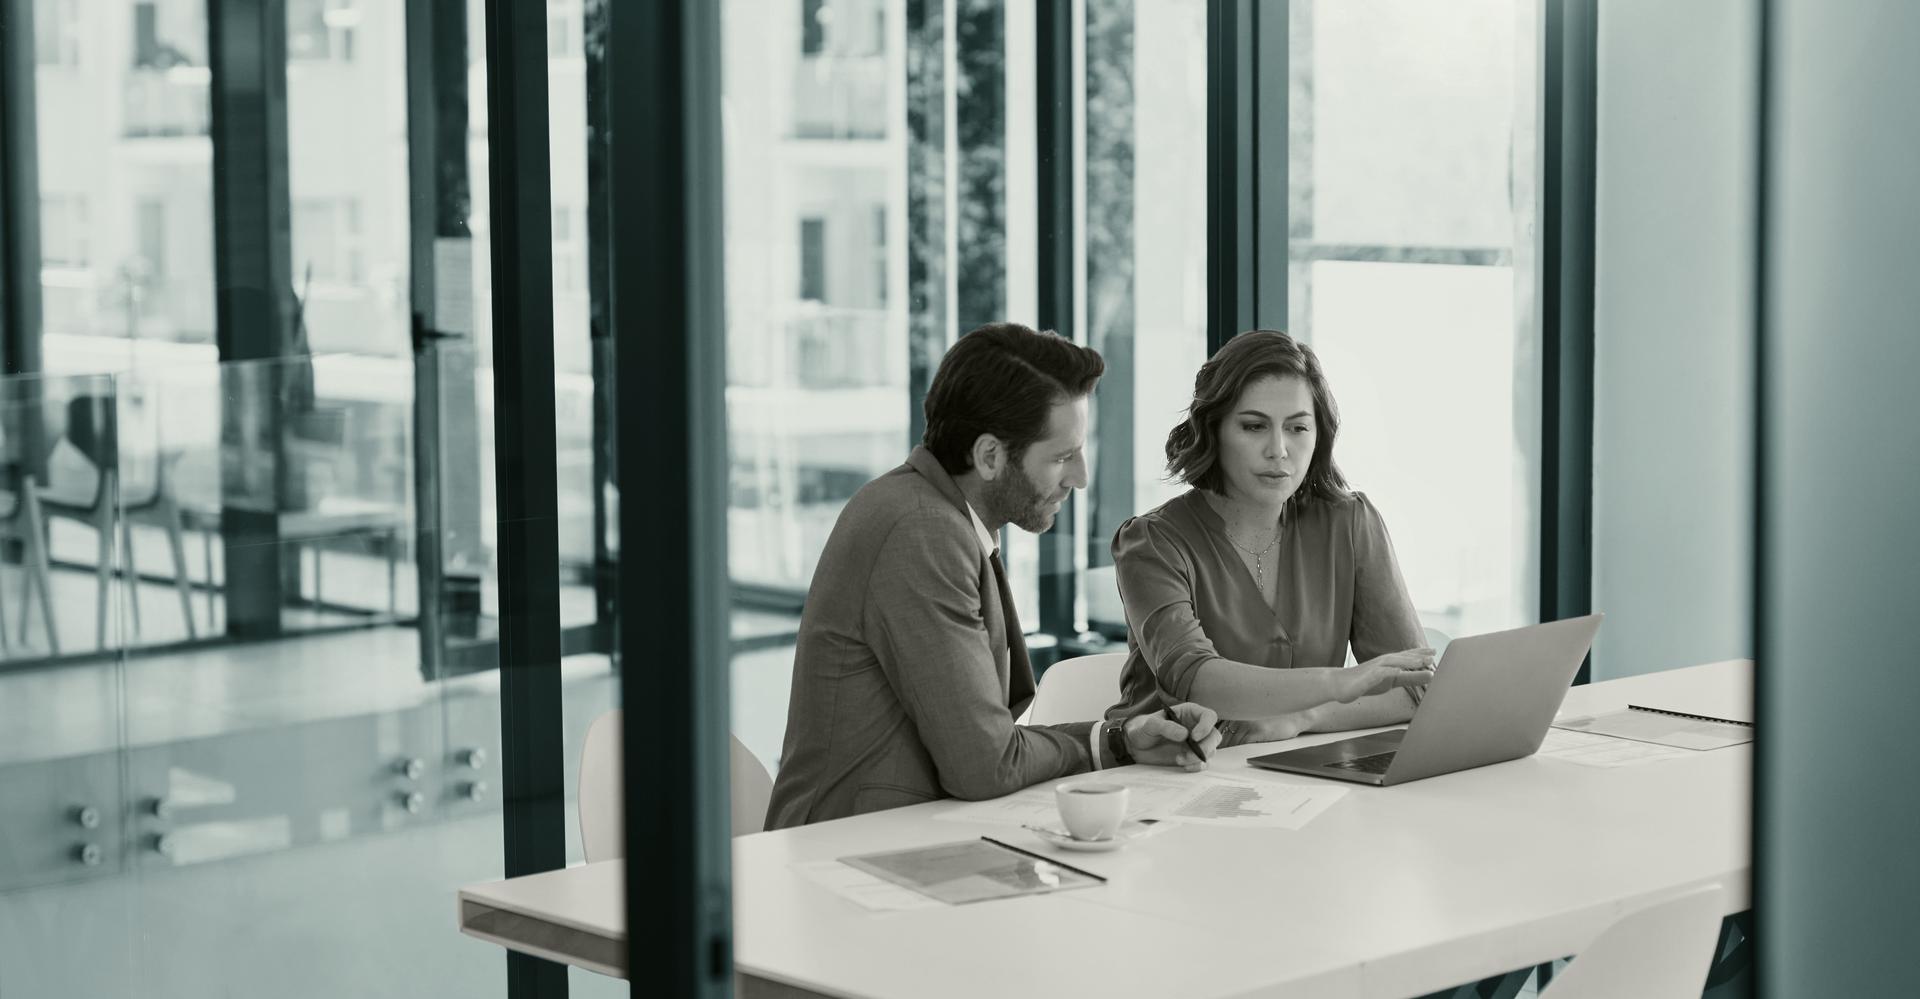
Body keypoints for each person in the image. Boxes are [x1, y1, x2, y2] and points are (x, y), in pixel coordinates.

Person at [764, 322, 1222, 829]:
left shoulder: (935, 514)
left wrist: (1121, 738)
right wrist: (1111, 744)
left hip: (906, 836)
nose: (1081, 477)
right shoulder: (920, 531)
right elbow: (985, 765)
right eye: (1063, 456)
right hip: (846, 854)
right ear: (989, 456)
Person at [1106, 330, 1435, 746]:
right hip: (1167, 775)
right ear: (1214, 430)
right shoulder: (1151, 543)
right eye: (1254, 426)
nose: (1278, 449)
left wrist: (1304, 717)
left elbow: (1415, 687)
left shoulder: (1350, 522)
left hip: (1297, 775)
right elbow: (1196, 680)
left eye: (1297, 428)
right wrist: (1341, 683)